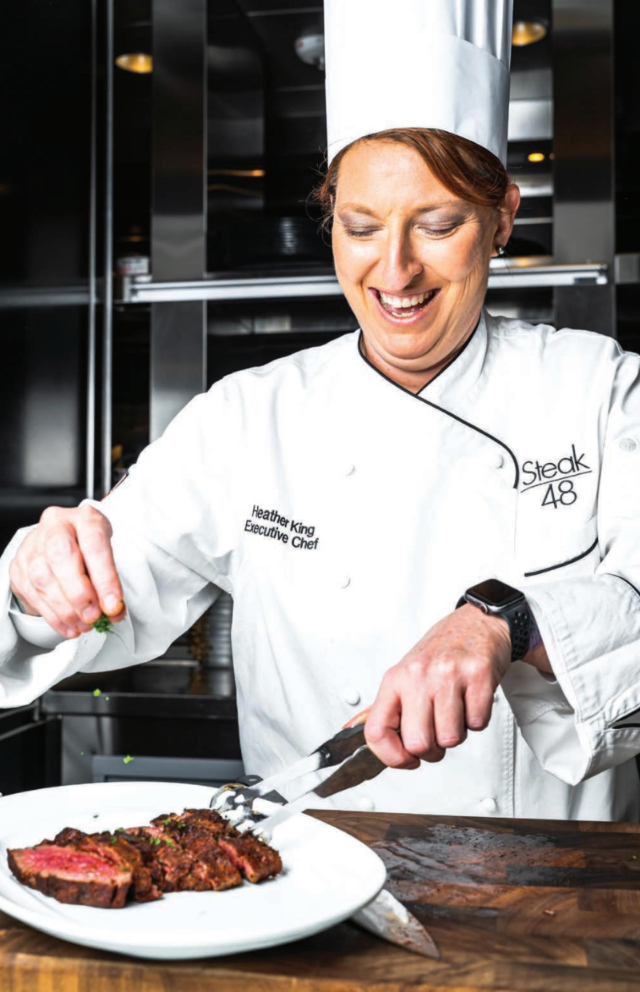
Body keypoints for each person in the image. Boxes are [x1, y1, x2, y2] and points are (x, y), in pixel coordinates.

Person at [2, 0, 640, 820]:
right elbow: (84, 604)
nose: (396, 270)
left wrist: (507, 623)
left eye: (438, 225)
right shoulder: (246, 419)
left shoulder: (598, 389)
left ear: (502, 219)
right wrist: (40, 581)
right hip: (315, 882)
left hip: (551, 901)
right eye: (360, 226)